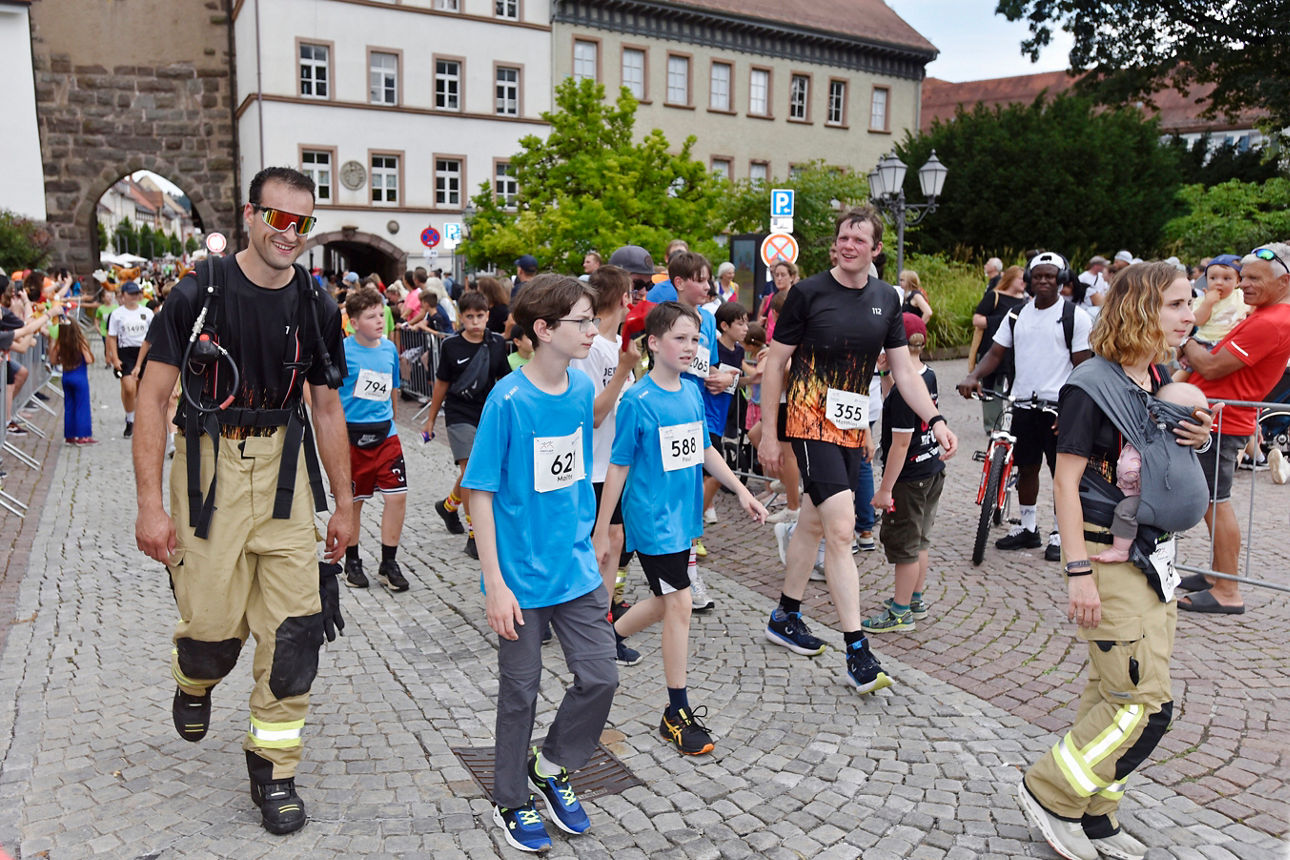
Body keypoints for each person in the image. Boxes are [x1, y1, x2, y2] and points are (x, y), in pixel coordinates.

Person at [133, 166, 354, 835]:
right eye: (279, 218)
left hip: (285, 474)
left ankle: (273, 770)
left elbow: (326, 404)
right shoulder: (198, 291)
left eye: (303, 223)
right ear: (251, 215)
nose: (291, 234)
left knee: (295, 635)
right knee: (211, 629)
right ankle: (194, 676)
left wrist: (345, 505)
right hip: (208, 470)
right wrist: (150, 505)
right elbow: (150, 396)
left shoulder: (316, 303)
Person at [1017, 261, 1212, 860]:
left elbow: (1152, 455)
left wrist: (1197, 441)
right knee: (1145, 705)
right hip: (1107, 554)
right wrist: (1078, 572)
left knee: (1111, 694)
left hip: (1153, 559)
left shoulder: (1154, 376)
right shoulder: (1090, 385)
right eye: (1177, 304)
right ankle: (1050, 791)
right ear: (1141, 308)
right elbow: (1066, 486)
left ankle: (1097, 814)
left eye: (1191, 303)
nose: (1189, 315)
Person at [759, 206, 957, 694]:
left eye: (858, 239)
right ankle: (856, 649)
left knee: (812, 520)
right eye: (842, 237)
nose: (848, 245)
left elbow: (904, 373)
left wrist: (935, 417)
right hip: (807, 418)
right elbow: (774, 366)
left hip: (849, 425)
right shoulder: (807, 294)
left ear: (876, 249)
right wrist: (769, 431)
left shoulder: (887, 299)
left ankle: (786, 615)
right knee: (842, 530)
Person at [462, 274, 619, 854]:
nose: (592, 330)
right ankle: (510, 797)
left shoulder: (579, 387)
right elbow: (479, 490)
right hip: (521, 579)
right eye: (581, 321)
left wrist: (595, 531)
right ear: (544, 330)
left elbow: (574, 467)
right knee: (520, 694)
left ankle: (550, 765)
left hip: (575, 569)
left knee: (601, 675)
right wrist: (495, 584)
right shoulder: (508, 400)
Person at [595, 301, 767, 756]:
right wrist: (600, 530)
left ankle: (610, 635)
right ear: (653, 343)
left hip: (683, 517)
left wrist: (742, 491)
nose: (691, 347)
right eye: (680, 338)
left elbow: (705, 450)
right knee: (680, 604)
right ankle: (676, 711)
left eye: (695, 339)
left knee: (665, 598)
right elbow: (617, 467)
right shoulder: (637, 400)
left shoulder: (691, 392)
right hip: (651, 520)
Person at [1175, 242, 1290, 613]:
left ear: (1284, 282)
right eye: (1246, 277)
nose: (1244, 285)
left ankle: (1227, 590)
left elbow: (1210, 366)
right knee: (1213, 503)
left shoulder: (1273, 321)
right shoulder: (1267, 316)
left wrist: (1184, 342)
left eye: (1255, 278)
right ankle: (1217, 576)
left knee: (1216, 503)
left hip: (1223, 422)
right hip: (1220, 418)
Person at [959, 252, 1093, 562]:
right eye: (1038, 276)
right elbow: (995, 353)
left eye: (1050, 276)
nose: (1043, 281)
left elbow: (1083, 369)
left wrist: (1074, 409)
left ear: (1061, 280)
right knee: (1027, 468)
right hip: (1022, 403)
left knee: (1063, 474)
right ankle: (1029, 527)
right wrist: (973, 375)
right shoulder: (1017, 315)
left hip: (1059, 407)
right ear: (1029, 280)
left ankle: (1060, 533)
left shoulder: (1076, 317)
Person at [568, 263, 642, 662]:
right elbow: (593, 414)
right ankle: (595, 633)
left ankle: (600, 626)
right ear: (625, 298)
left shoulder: (618, 347)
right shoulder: (592, 347)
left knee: (612, 545)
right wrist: (625, 373)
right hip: (591, 464)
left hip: (616, 464)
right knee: (600, 547)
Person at [864, 313, 943, 633]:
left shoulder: (902, 394)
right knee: (921, 540)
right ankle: (915, 598)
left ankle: (899, 612)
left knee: (906, 547)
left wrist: (884, 489)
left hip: (908, 477)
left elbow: (899, 444)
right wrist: (886, 373)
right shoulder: (929, 376)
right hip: (932, 469)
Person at [422, 290, 510, 558]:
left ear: (487, 315)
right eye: (469, 316)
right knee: (472, 471)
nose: (475, 322)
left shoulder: (496, 343)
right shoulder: (451, 346)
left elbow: (505, 380)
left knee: (476, 471)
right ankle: (475, 534)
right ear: (461, 317)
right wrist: (431, 418)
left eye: (480, 316)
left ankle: (449, 506)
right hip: (459, 413)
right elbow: (442, 383)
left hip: (487, 413)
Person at [670, 251, 737, 584]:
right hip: (671, 413)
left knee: (695, 489)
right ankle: (673, 569)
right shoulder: (665, 316)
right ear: (680, 283)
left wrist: (728, 378)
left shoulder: (709, 320)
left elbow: (708, 366)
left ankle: (689, 569)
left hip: (703, 412)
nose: (707, 286)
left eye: (708, 279)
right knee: (677, 490)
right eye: (700, 279)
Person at [338, 286, 410, 593]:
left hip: (386, 435)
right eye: (371, 316)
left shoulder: (389, 350)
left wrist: (393, 417)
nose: (379, 320)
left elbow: (392, 387)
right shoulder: (342, 350)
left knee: (397, 497)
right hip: (351, 437)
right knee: (355, 502)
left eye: (381, 314)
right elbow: (322, 392)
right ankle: (351, 561)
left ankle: (388, 562)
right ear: (354, 322)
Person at [1092, 381, 1211, 564]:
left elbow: (1128, 471)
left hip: (1155, 504)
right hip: (1194, 508)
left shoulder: (1149, 441)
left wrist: (1126, 482)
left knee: (1125, 511)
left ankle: (1120, 550)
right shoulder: (1186, 440)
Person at [701, 301, 748, 524]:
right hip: (707, 415)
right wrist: (728, 377)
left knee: (709, 475)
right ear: (724, 326)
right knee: (714, 475)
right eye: (740, 323)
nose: (746, 328)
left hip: (721, 416)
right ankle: (696, 518)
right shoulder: (715, 349)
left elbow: (741, 378)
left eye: (746, 323)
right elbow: (712, 378)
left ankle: (702, 512)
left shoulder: (739, 350)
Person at [969, 265, 1028, 434]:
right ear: (1010, 278)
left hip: (1013, 352)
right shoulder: (994, 296)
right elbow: (977, 319)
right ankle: (993, 426)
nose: (1024, 282)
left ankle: (1010, 423)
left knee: (1009, 388)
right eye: (1020, 278)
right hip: (992, 348)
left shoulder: (1025, 301)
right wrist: (1003, 322)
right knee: (990, 388)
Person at [106, 280, 154, 438]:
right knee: (128, 387)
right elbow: (112, 337)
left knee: (141, 388)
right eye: (130, 293)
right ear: (123, 295)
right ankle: (130, 419)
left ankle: (139, 418)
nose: (134, 296)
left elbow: (152, 336)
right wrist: (114, 357)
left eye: (136, 293)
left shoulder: (147, 313)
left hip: (144, 350)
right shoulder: (117, 314)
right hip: (126, 351)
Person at [55, 318, 97, 444]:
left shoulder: (60, 343)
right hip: (79, 376)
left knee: (69, 406)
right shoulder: (79, 342)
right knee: (82, 406)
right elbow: (88, 360)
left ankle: (70, 435)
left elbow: (53, 359)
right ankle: (83, 435)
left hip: (66, 375)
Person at [1190, 255, 1246, 345]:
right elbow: (1197, 321)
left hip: (1231, 341)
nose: (1218, 282)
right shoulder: (1203, 300)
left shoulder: (1241, 296)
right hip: (1204, 340)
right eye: (1213, 278)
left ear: (1238, 282)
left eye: (1226, 278)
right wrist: (1208, 303)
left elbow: (1254, 309)